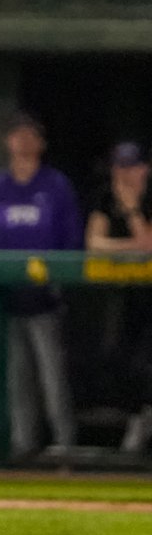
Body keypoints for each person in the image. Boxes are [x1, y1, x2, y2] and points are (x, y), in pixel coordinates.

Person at [0, 112, 82, 461]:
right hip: (6, 299)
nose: (23, 141)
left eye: (30, 135)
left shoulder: (55, 186)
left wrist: (61, 283)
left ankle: (64, 444)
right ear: (8, 141)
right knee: (16, 378)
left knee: (53, 376)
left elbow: (71, 242)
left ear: (41, 143)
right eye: (17, 135)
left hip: (47, 297)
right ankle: (24, 446)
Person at [84, 141, 152, 455]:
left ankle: (143, 419)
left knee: (144, 363)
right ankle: (140, 417)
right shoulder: (106, 197)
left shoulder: (146, 198)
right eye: (120, 167)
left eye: (132, 167)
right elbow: (94, 243)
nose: (125, 174)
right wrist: (130, 247)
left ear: (145, 169)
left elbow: (149, 243)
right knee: (115, 358)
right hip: (122, 295)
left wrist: (132, 209)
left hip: (148, 295)